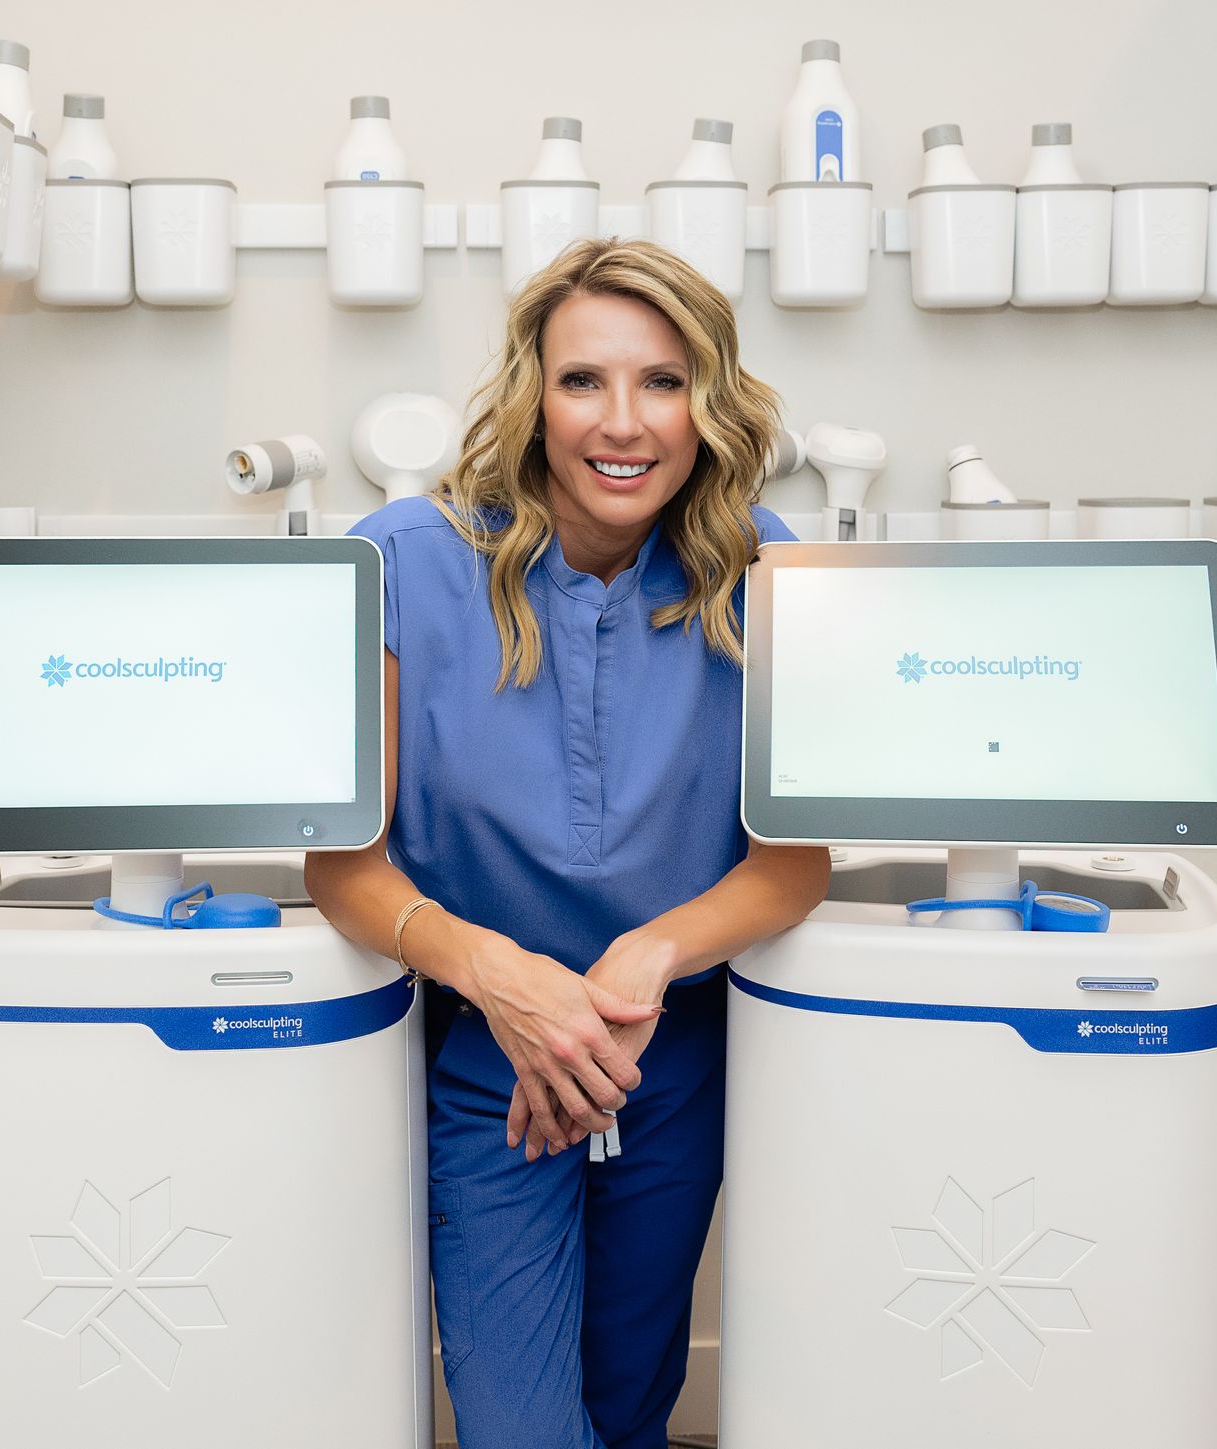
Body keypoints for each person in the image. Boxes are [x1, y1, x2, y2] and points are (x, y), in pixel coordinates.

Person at [306, 236, 831, 1448]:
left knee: (627, 1404)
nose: (625, 422)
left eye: (663, 382)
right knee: (523, 1428)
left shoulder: (763, 571)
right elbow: (343, 862)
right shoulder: (405, 561)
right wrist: (504, 981)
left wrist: (647, 956)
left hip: (670, 1050)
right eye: (585, 380)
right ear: (532, 397)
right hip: (491, 1054)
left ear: (710, 404)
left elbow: (792, 864)